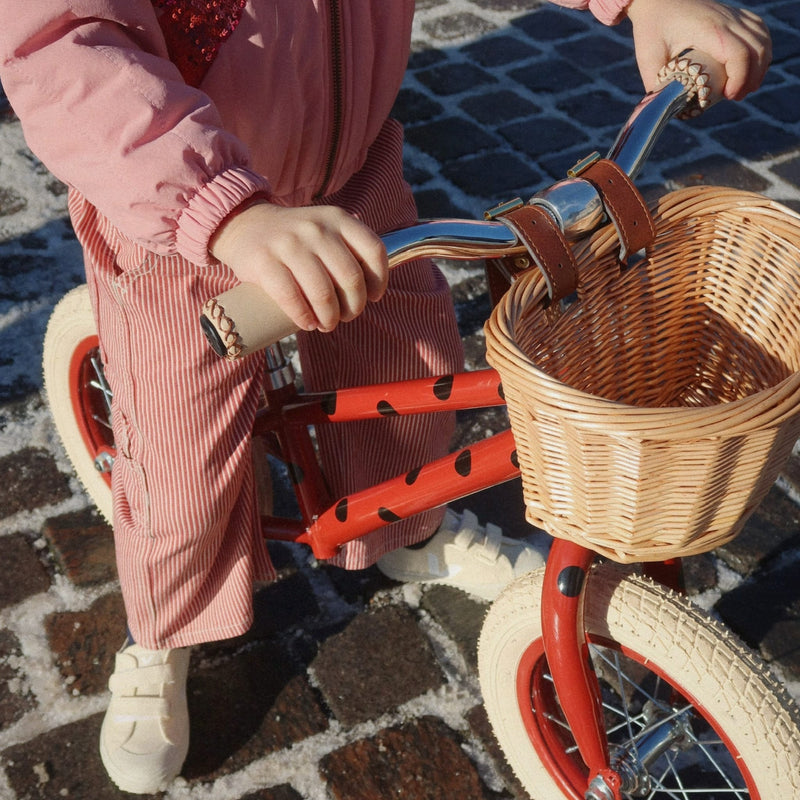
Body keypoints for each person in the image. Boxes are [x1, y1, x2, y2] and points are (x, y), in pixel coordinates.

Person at [0, 0, 771, 793]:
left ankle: (405, 523)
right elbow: (63, 47)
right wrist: (221, 209)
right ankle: (162, 625)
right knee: (180, 461)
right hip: (178, 222)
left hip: (352, 171)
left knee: (407, 371)